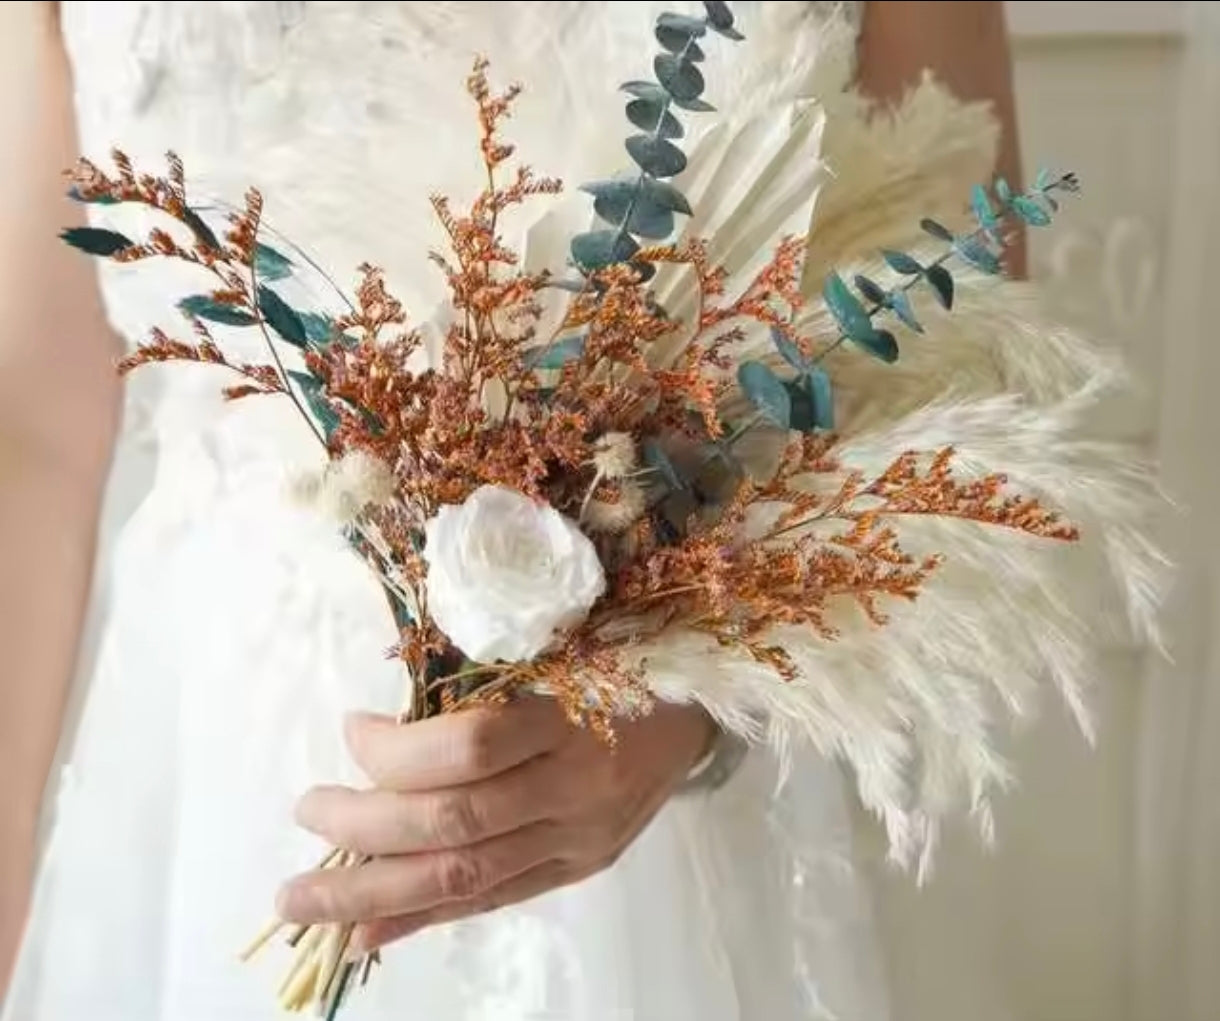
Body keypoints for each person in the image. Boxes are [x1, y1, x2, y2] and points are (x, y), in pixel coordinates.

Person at [0, 3, 1022, 1018]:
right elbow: (31, 449)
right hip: (212, 786)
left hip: (667, 839)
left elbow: (962, 351)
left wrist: (696, 708)